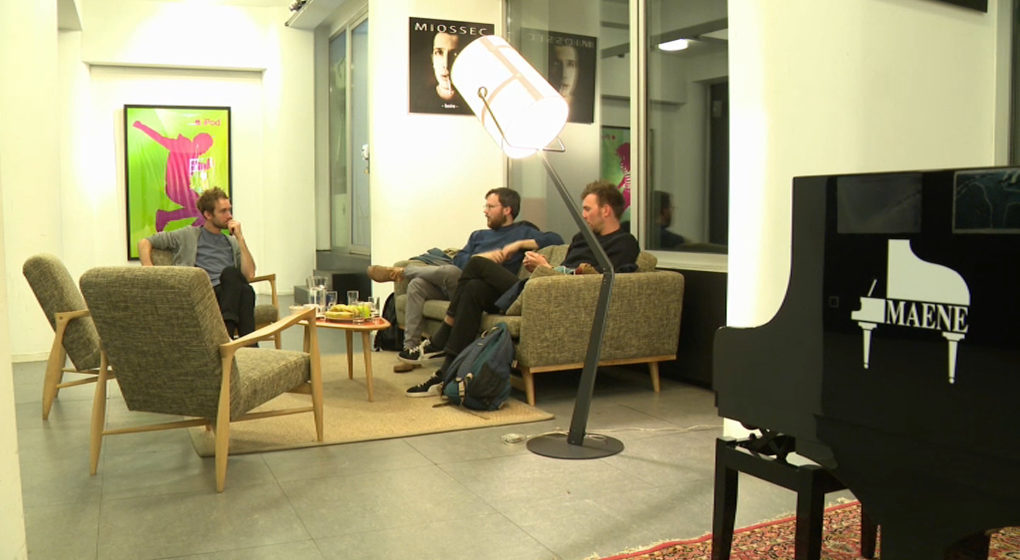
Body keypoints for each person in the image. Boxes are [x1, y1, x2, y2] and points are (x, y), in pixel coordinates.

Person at [406, 180, 640, 397]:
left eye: (588, 209)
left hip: (549, 297)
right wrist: (543, 267)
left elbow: (598, 281)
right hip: (537, 288)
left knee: (477, 264)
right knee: (474, 288)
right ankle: (446, 374)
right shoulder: (582, 238)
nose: (583, 215)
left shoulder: (624, 243)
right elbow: (566, 270)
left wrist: (546, 268)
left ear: (606, 210)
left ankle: (442, 337)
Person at [367, 188, 562, 365]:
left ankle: (402, 272)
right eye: (485, 206)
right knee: (417, 284)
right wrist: (484, 257)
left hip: (487, 292)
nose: (485, 211)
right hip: (460, 284)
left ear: (507, 210)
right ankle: (410, 349)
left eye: (490, 206)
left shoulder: (522, 231)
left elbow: (556, 239)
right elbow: (460, 261)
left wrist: (518, 245)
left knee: (448, 273)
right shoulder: (478, 235)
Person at [138, 187, 258, 339]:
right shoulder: (188, 235)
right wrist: (149, 270)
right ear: (208, 215)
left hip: (229, 293)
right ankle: (242, 341)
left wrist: (240, 238)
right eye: (223, 211)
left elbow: (249, 275)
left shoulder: (232, 242)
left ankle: (233, 338)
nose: (229, 216)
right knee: (238, 282)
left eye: (229, 210)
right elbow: (144, 242)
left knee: (244, 288)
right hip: (203, 293)